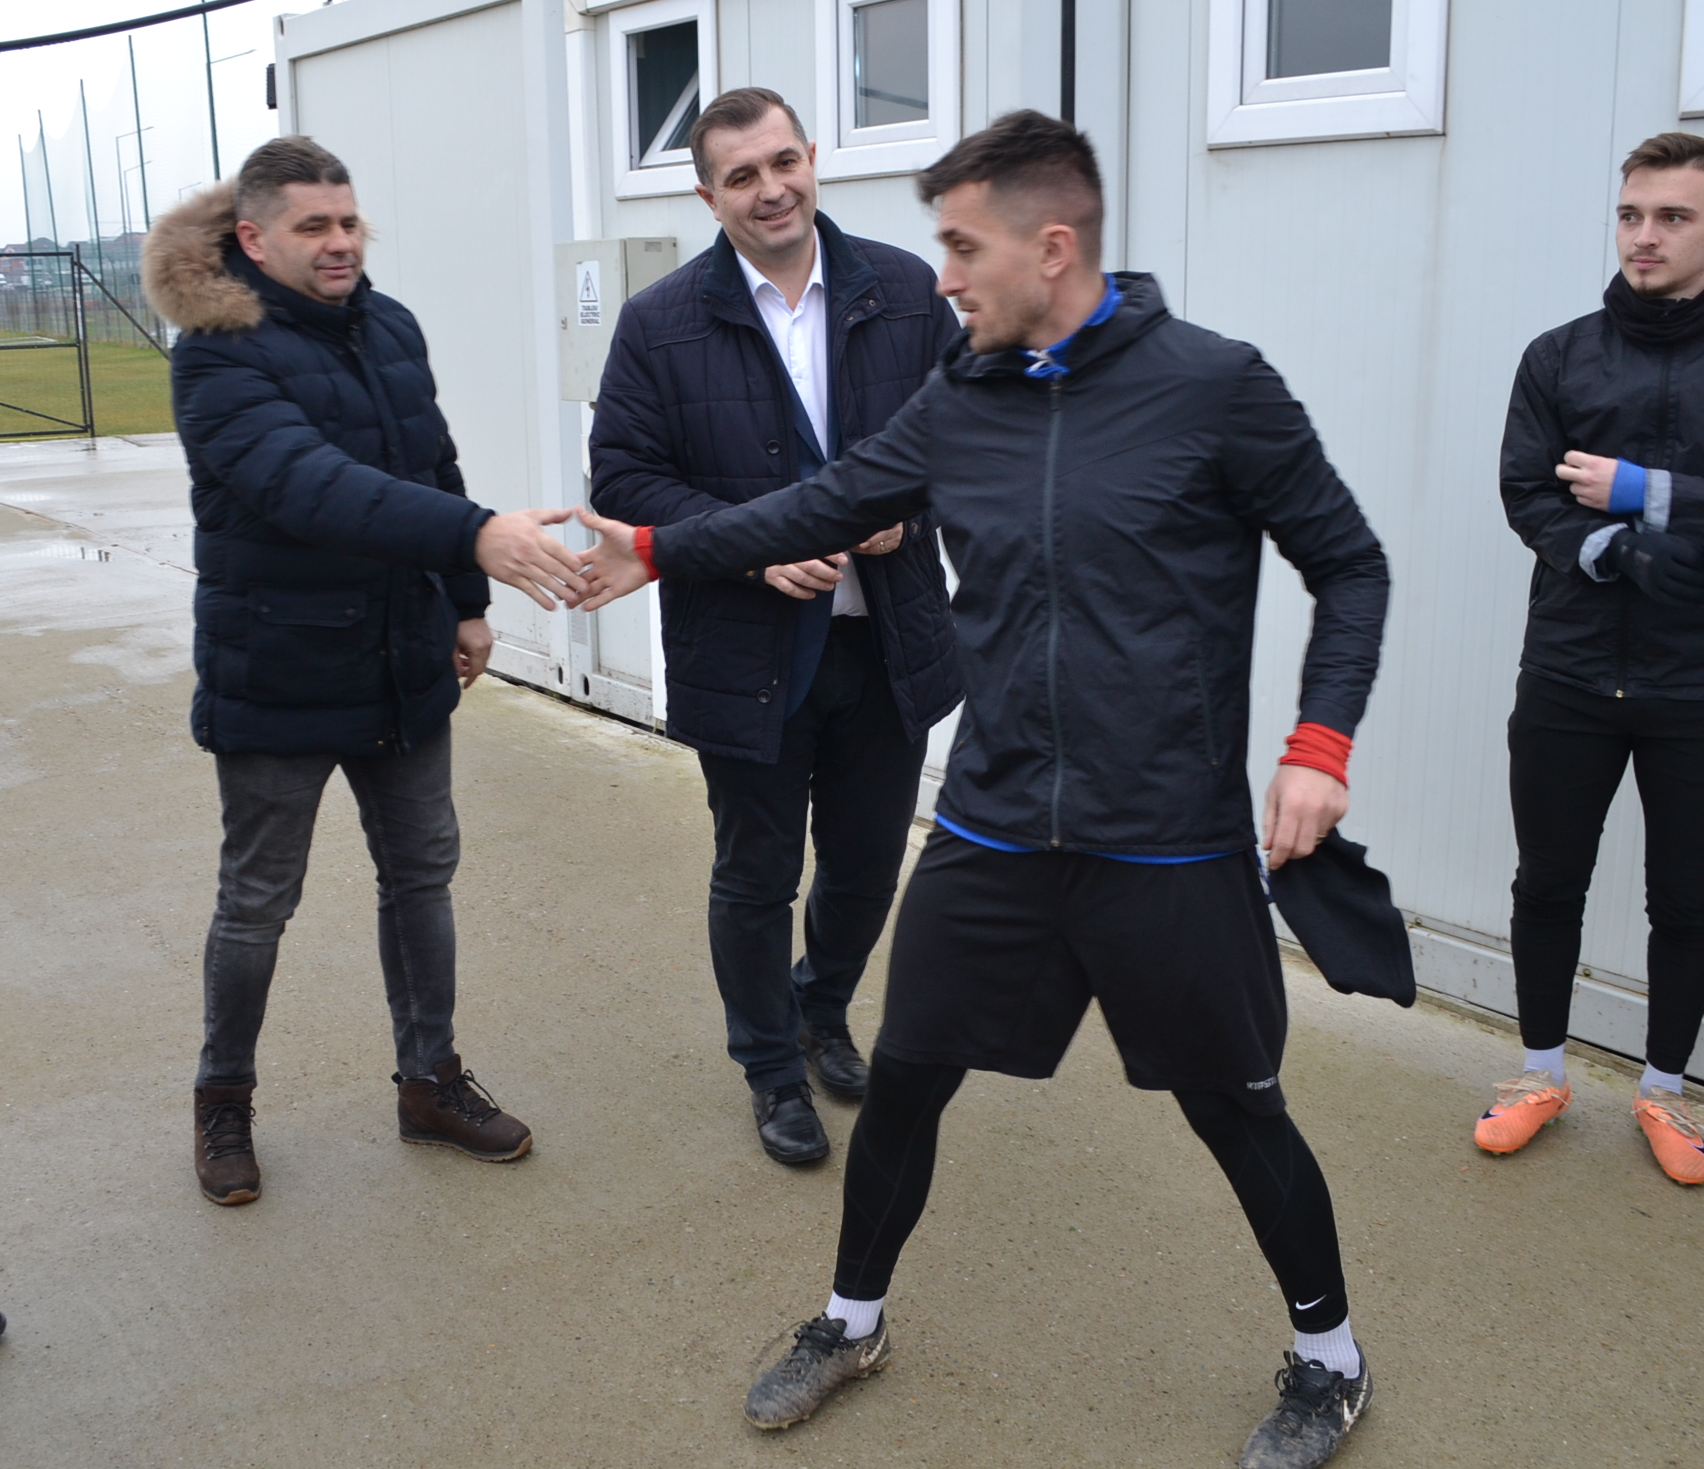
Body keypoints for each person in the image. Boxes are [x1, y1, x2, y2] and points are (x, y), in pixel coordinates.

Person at [575, 111, 1391, 1469]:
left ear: (1050, 246)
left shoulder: (1215, 385)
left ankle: (1330, 1359)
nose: (940, 276)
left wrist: (1318, 747)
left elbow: (1348, 562)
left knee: (1232, 1104)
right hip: (995, 819)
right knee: (904, 1078)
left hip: (1163, 834)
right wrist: (658, 547)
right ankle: (851, 1322)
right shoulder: (963, 395)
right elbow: (820, 504)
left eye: (962, 248)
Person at [147, 136, 588, 1206]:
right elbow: (309, 486)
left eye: (348, 221)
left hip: (402, 659)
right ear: (254, 239)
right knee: (258, 900)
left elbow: (431, 461)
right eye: (314, 226)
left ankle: (429, 1080)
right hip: (279, 670)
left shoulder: (389, 326)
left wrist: (467, 601)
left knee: (421, 874)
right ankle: (222, 1100)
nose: (341, 241)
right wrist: (477, 535)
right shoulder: (215, 355)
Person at [589, 89, 961, 1165]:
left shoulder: (904, 291)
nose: (771, 189)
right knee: (755, 874)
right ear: (708, 195)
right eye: (741, 175)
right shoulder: (659, 321)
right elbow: (624, 481)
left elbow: (974, 438)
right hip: (744, 648)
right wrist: (753, 548)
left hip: (885, 638)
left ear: (814, 159)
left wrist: (906, 513)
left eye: (783, 161)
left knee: (865, 864)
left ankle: (819, 1008)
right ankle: (768, 1068)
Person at [1487, 132, 1704, 1185]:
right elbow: (1527, 490)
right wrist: (1603, 546)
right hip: (1567, 669)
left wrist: (1645, 492)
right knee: (1547, 881)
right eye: (1630, 214)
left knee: (1685, 900)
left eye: (1672, 217)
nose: (1644, 235)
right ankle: (1539, 1073)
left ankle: (1664, 1091)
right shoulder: (1559, 355)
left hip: (1702, 683)